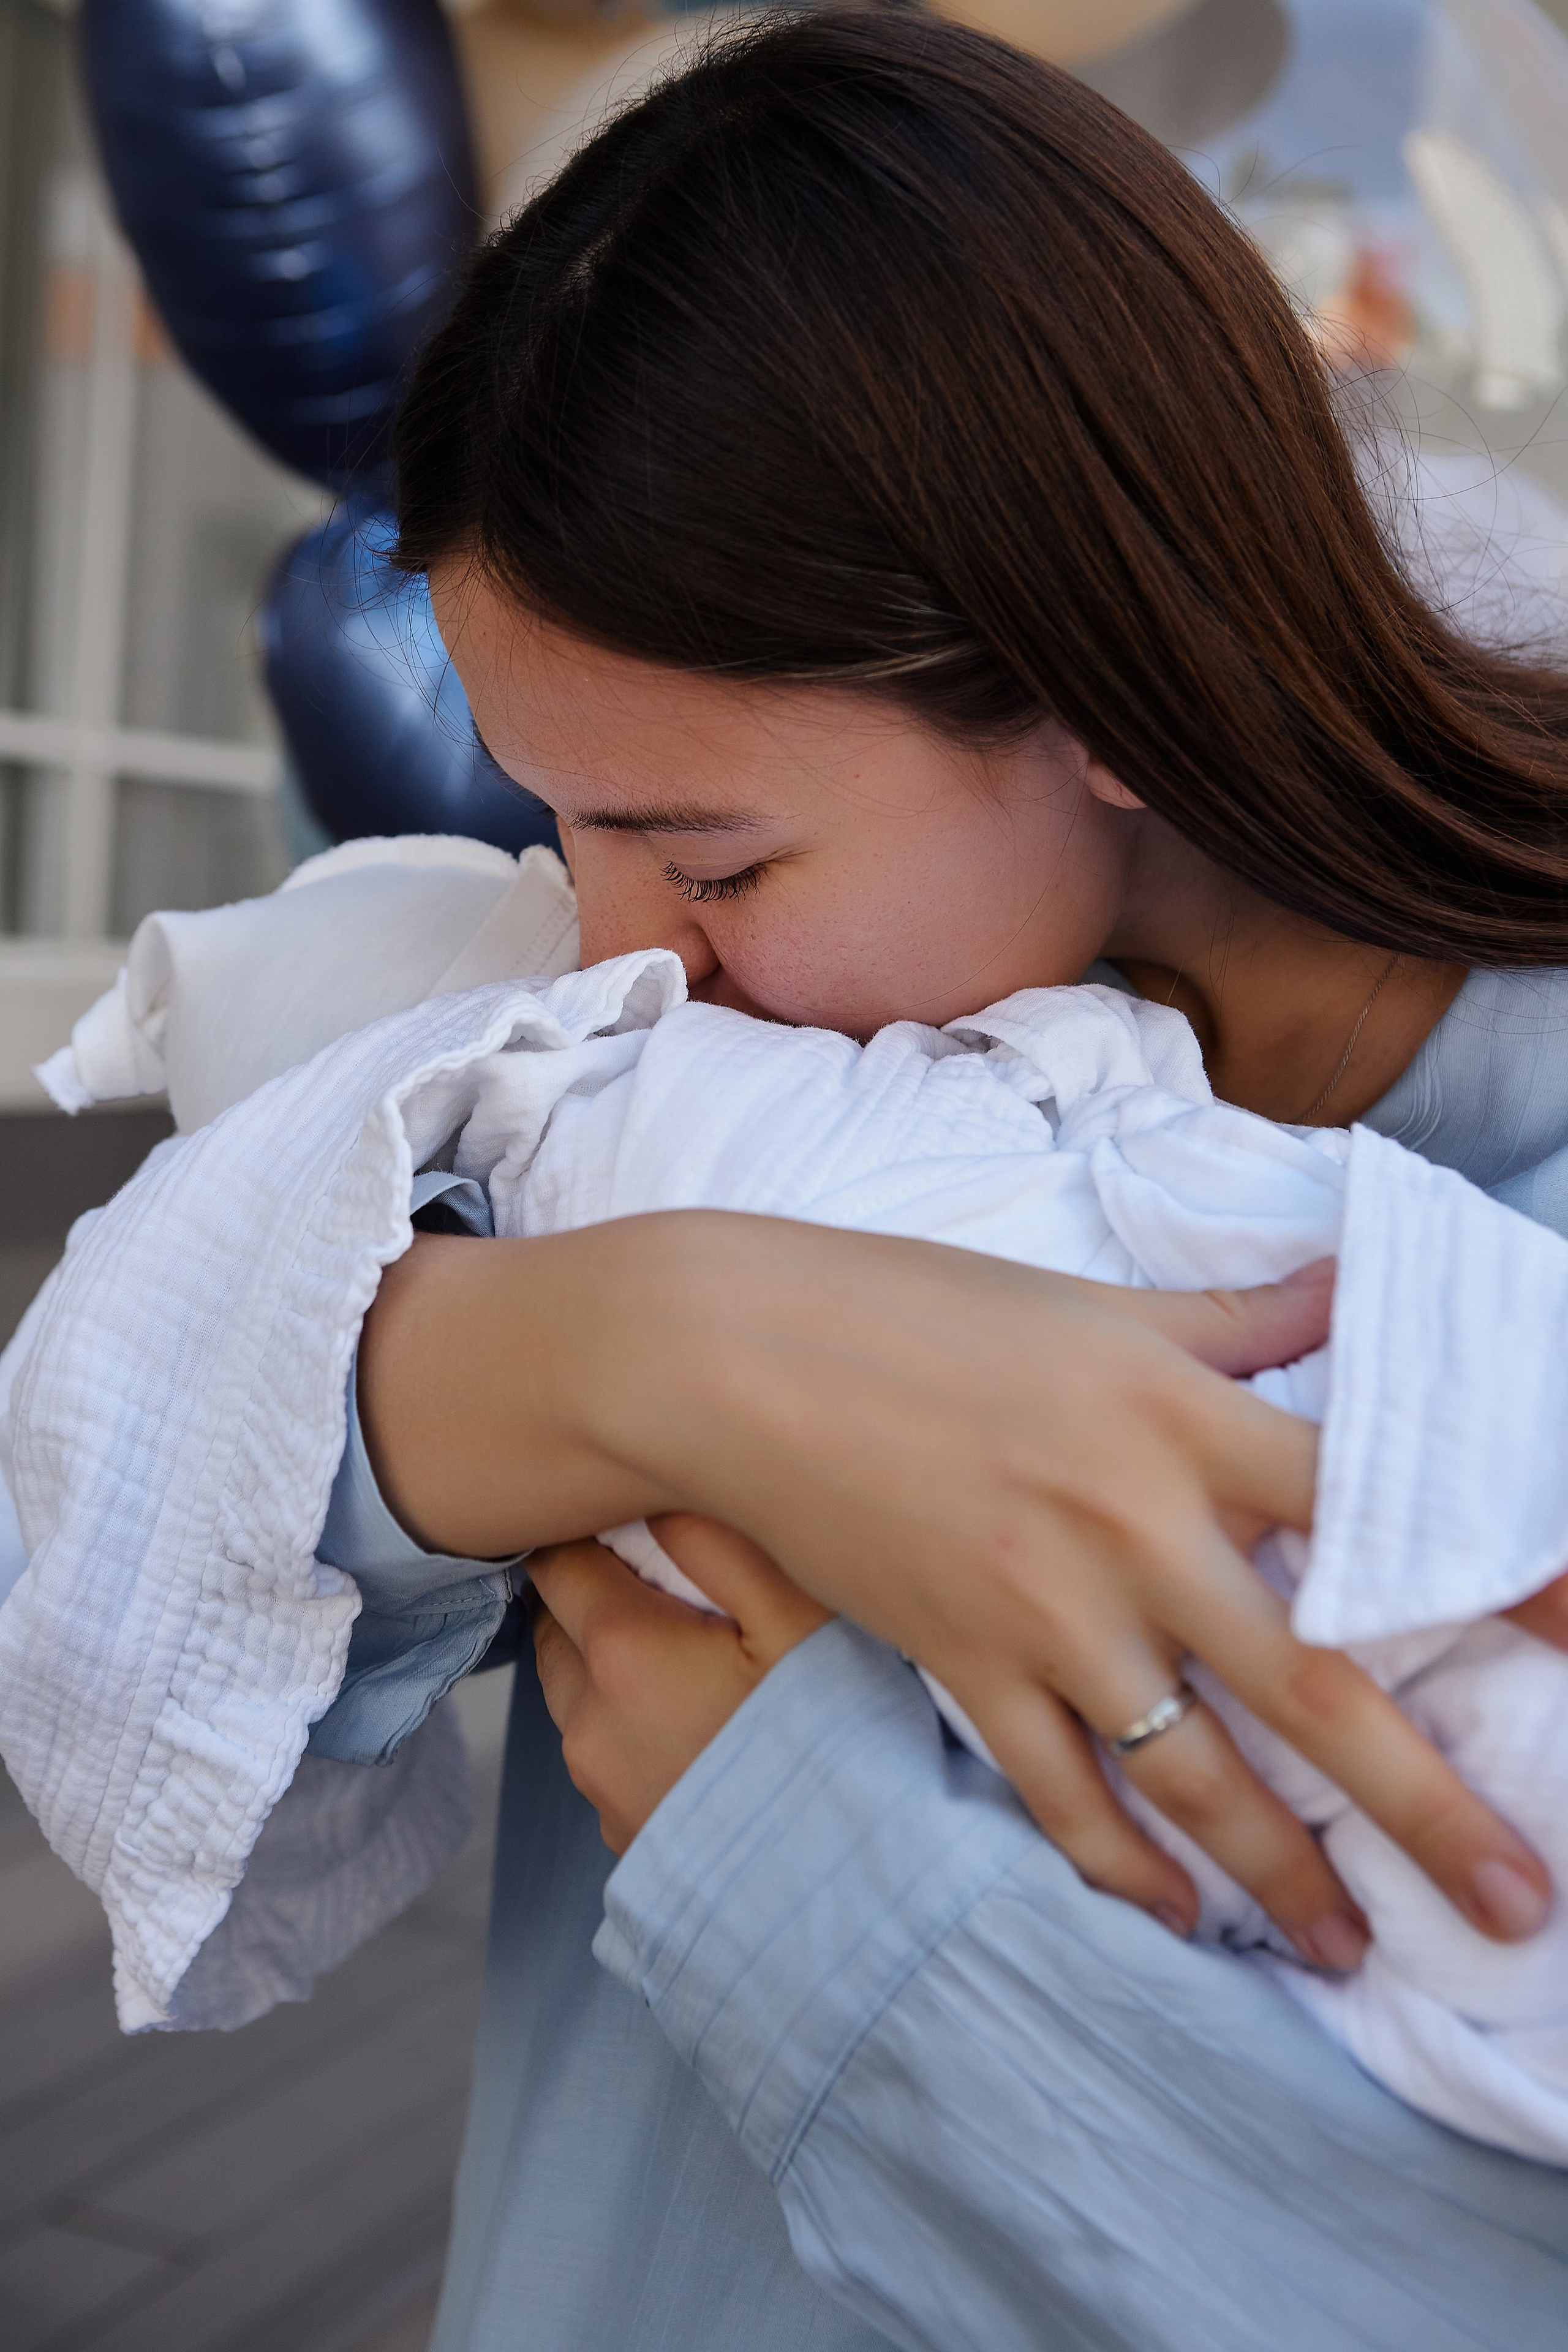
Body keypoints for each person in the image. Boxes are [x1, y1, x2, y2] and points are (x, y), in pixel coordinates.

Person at [12, 7, 1568, 2345]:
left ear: (1113, 684)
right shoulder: (702, 1091)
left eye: (711, 856)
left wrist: (785, 1850)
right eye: (562, 826)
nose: (617, 950)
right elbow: (136, 1536)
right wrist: (652, 1346)